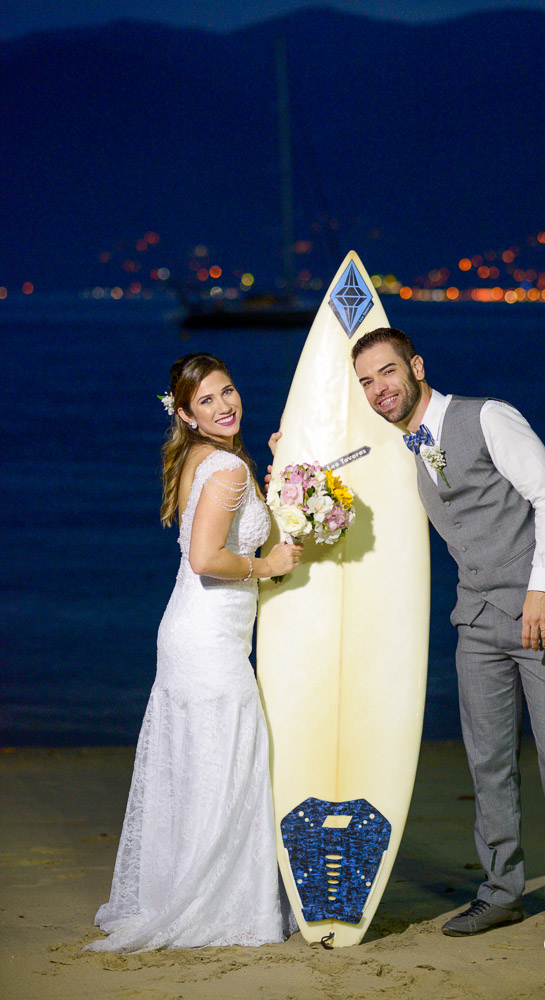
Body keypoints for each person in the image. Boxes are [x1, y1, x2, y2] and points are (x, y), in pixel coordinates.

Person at [352, 328, 545, 939]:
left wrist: (542, 589)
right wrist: (287, 450)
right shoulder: (402, 447)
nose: (380, 389)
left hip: (543, 612)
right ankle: (502, 891)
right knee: (488, 763)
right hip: (476, 622)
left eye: (387, 372)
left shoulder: (489, 418)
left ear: (417, 365)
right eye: (367, 382)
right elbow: (336, 476)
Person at [87, 352, 302, 953]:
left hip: (192, 630)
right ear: (184, 412)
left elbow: (223, 533)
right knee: (227, 763)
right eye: (206, 400)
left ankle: (184, 891)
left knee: (201, 766)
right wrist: (270, 565)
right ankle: (216, 907)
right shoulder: (226, 470)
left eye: (227, 391)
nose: (224, 405)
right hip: (207, 637)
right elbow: (208, 559)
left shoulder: (202, 461)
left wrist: (280, 465)